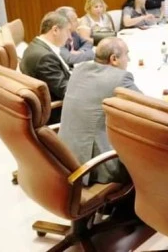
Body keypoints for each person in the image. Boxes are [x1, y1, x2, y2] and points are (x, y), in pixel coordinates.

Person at [59, 37, 139, 184]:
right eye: (127, 54)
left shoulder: (79, 69)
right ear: (114, 59)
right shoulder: (120, 78)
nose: (129, 59)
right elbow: (146, 109)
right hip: (94, 166)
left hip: (64, 157)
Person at [20, 12, 72, 109]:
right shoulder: (45, 58)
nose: (69, 37)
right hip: (59, 109)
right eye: (67, 31)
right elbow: (66, 91)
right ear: (55, 30)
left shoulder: (37, 46)